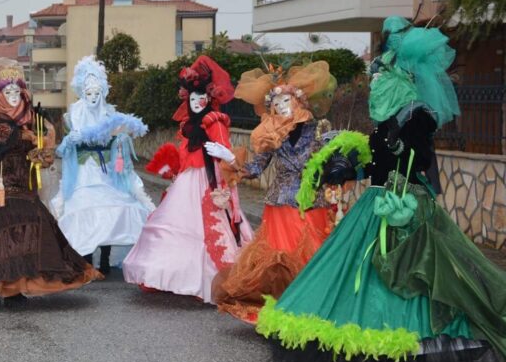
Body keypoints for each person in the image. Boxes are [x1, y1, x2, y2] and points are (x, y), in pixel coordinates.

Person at [256, 17, 506, 362]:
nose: (374, 83)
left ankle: (411, 340)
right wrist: (348, 168)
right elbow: (376, 163)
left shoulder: (416, 116)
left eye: (379, 77)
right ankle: (365, 338)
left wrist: (402, 148)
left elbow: (419, 161)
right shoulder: (385, 122)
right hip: (375, 202)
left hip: (403, 204)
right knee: (350, 272)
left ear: (397, 79)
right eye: (374, 77)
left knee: (411, 271)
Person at [0, 60, 98, 305]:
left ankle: (16, 286)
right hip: (2, 184)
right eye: (8, 91)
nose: (14, 96)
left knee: (33, 223)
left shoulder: (33, 120)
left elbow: (46, 158)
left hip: (26, 183)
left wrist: (41, 149)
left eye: (17, 91)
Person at [212, 60, 337, 324]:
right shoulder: (272, 134)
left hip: (311, 204)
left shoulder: (319, 129)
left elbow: (331, 162)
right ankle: (282, 310)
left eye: (286, 102)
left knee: (311, 258)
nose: (281, 108)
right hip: (279, 206)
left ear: (300, 101)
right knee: (278, 262)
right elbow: (256, 167)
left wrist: (334, 179)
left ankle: (311, 309)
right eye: (276, 105)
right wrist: (232, 161)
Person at [122, 55, 253, 302]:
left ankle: (208, 280)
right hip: (186, 181)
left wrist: (225, 155)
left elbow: (227, 153)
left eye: (200, 98)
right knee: (175, 224)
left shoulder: (215, 121)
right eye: (192, 98)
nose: (196, 102)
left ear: (209, 99)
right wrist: (175, 173)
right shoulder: (187, 125)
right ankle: (171, 276)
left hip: (208, 181)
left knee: (208, 230)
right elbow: (185, 154)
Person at [51, 57, 154, 273]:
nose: (93, 98)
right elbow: (64, 149)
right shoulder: (72, 116)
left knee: (110, 210)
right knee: (83, 209)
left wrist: (120, 139)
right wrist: (71, 140)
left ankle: (105, 259)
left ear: (103, 93)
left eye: (97, 93)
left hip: (106, 171)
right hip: (83, 173)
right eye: (89, 93)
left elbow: (118, 140)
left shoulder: (110, 115)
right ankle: (87, 259)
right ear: (82, 92)